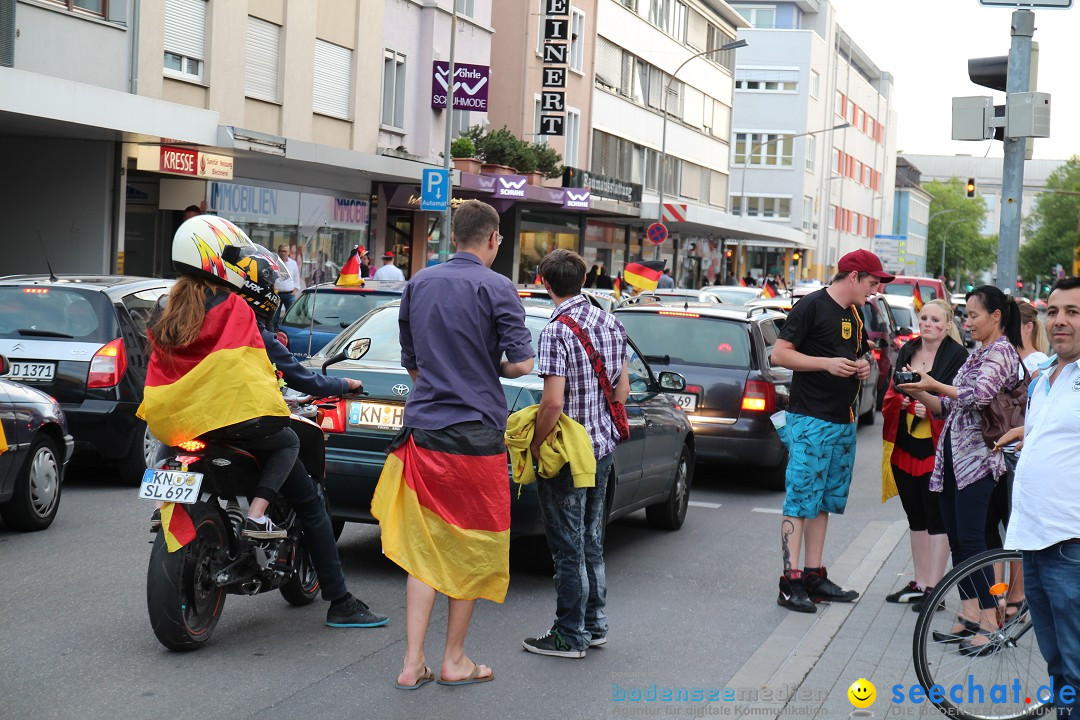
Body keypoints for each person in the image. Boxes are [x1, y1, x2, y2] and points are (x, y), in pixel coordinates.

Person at [370, 200, 534, 689]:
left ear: (454, 237)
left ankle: (410, 663)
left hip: (425, 433)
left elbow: (412, 363)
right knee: (472, 544)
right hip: (478, 435)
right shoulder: (498, 286)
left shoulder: (417, 283)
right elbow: (522, 365)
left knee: (424, 548)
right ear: (491, 239)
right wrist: (494, 369)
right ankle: (454, 660)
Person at [232, 250, 389, 629]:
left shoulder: (198, 323)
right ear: (264, 294)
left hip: (188, 424)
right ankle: (340, 601)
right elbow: (305, 380)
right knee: (306, 490)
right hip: (242, 425)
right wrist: (345, 383)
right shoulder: (253, 333)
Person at [139, 216, 299, 541]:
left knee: (169, 440)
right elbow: (250, 363)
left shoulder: (163, 305)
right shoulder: (234, 306)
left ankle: (160, 504)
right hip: (223, 416)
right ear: (213, 257)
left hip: (169, 412)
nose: (237, 265)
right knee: (289, 441)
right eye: (232, 257)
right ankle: (255, 516)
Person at [898, 285, 1022, 656]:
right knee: (957, 539)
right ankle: (969, 612)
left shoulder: (1001, 352)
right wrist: (918, 390)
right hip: (953, 458)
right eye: (965, 315)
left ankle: (990, 619)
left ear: (995, 317)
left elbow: (978, 397)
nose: (967, 322)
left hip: (980, 461)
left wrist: (936, 384)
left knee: (973, 541)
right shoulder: (977, 354)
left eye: (973, 315)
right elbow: (947, 407)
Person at [771, 248, 893, 613]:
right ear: (853, 276)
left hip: (843, 419)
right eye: (872, 282)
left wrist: (862, 365)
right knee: (800, 498)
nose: (874, 290)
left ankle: (813, 574)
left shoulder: (855, 313)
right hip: (811, 419)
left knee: (823, 499)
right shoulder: (811, 305)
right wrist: (826, 364)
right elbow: (779, 354)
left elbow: (861, 355)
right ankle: (789, 581)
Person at [523, 249, 630, 659]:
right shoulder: (610, 320)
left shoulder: (555, 331)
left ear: (544, 282)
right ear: (583, 279)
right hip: (601, 446)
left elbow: (552, 403)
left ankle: (569, 634)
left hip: (567, 452)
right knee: (590, 538)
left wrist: (534, 445)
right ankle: (595, 622)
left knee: (567, 545)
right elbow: (620, 391)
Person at [1002, 276, 1080, 720]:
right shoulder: (1045, 375)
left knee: (1075, 665)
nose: (1060, 320)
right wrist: (1026, 433)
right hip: (1033, 538)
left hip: (1071, 544)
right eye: (1053, 311)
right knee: (1059, 667)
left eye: (1073, 311)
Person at [881, 299, 968, 610]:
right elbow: (893, 390)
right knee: (915, 516)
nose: (928, 323)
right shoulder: (908, 350)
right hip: (906, 445)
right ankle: (919, 582)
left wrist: (929, 409)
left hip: (936, 448)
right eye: (924, 318)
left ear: (947, 325)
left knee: (937, 518)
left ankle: (935, 587)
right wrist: (903, 404)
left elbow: (961, 404)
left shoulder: (958, 356)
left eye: (935, 319)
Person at [274, 244, 301, 327]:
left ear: (288, 252)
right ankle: (274, 334)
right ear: (278, 252)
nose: (283, 253)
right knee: (274, 317)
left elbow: (297, 277)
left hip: (290, 294)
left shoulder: (293, 263)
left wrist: (295, 290)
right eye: (281, 251)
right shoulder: (275, 262)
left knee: (290, 317)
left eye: (285, 251)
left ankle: (286, 333)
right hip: (277, 294)